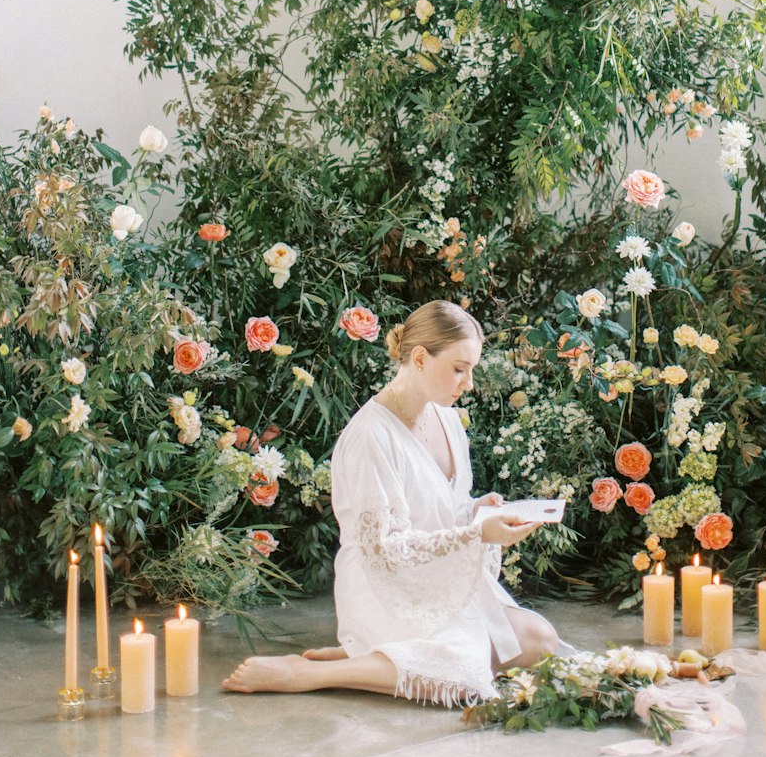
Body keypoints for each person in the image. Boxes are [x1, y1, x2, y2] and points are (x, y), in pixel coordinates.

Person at [223, 299, 559, 703]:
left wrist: (476, 512)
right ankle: (307, 672)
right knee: (467, 670)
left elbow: (437, 511)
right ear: (419, 357)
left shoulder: (448, 419)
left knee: (540, 641)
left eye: (471, 370)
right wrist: (475, 534)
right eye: (459, 369)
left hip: (433, 577)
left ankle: (374, 659)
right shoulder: (371, 435)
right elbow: (383, 550)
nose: (467, 383)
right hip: (382, 584)